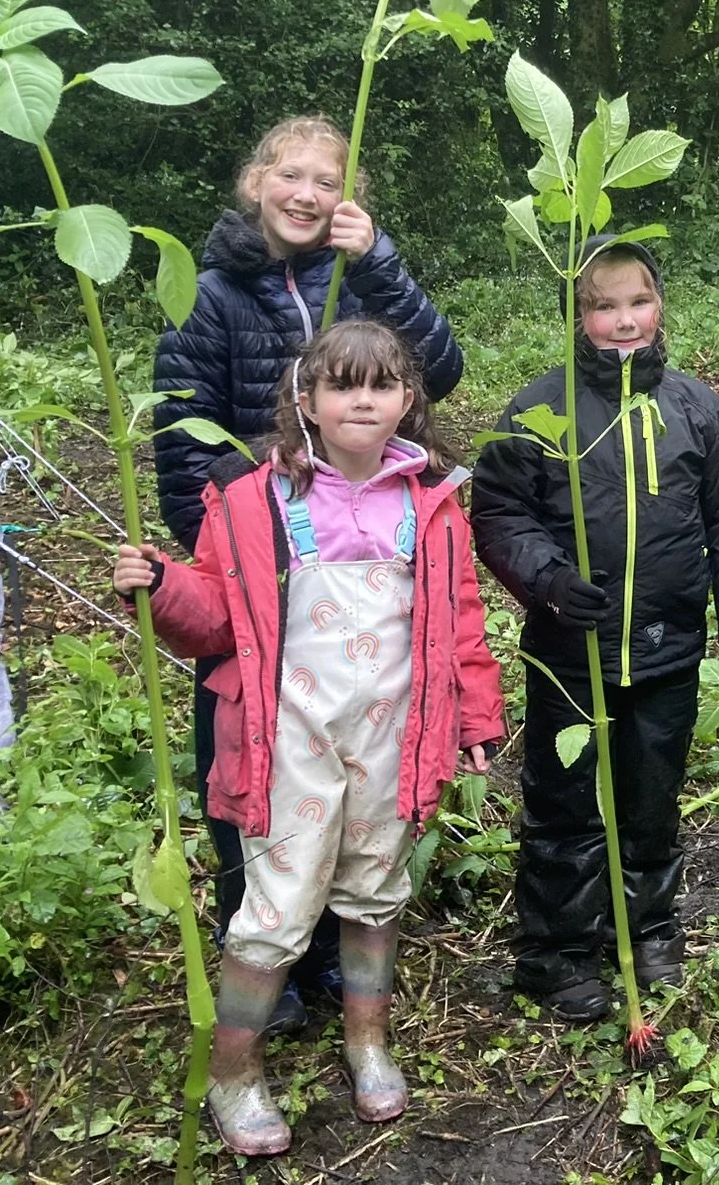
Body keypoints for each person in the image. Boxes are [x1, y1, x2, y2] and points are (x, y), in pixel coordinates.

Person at [115, 320, 504, 1155]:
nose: (362, 399)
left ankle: (368, 1041)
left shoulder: (430, 502)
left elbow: (459, 621)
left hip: (392, 735)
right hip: (290, 739)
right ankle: (233, 1068)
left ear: (409, 399)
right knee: (276, 909)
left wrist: (474, 716)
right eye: (341, 384)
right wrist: (160, 587)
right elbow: (217, 613)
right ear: (307, 401)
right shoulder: (257, 499)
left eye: (382, 383)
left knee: (374, 887)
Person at [152, 115, 464, 1033]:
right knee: (253, 755)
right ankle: (265, 953)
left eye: (325, 180)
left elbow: (437, 370)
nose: (306, 193)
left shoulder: (355, 279)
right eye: (290, 174)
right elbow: (182, 440)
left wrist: (382, 268)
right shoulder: (211, 295)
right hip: (260, 560)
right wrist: (253, 533)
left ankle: (332, 948)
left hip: (359, 557)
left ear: (345, 196)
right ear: (257, 185)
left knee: (353, 759)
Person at [471, 238, 719, 1022]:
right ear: (578, 316)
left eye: (636, 301)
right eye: (603, 305)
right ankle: (560, 952)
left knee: (651, 797)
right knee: (564, 801)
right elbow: (501, 513)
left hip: (668, 649)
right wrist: (545, 579)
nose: (623, 319)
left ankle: (648, 930)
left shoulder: (697, 410)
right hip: (569, 651)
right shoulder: (543, 410)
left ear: (660, 306)